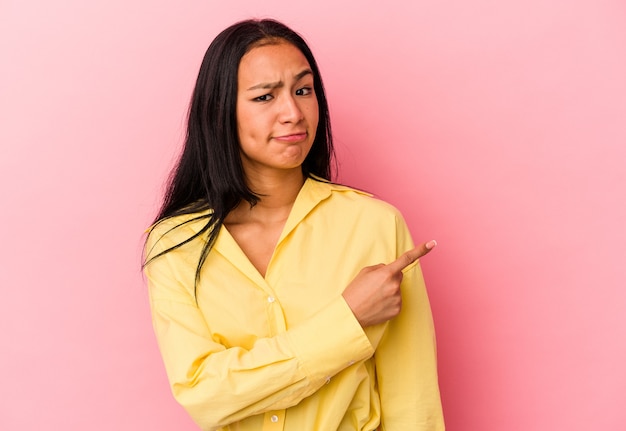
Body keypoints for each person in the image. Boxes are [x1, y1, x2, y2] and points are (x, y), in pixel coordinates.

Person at [143, 18, 445, 431]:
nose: (293, 113)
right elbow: (204, 395)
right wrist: (346, 322)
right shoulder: (176, 244)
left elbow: (413, 402)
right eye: (265, 96)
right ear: (220, 112)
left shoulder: (375, 226)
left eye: (303, 90)